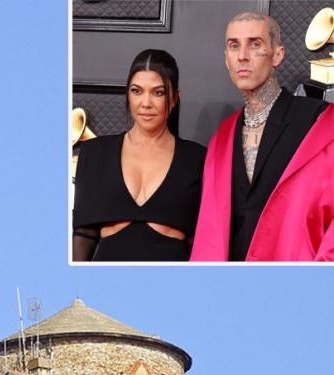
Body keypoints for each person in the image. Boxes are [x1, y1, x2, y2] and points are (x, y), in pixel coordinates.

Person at [191, 11, 333, 261]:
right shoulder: (222, 139)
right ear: (226, 59)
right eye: (234, 46)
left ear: (277, 54)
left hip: (298, 286)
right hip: (232, 288)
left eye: (254, 44)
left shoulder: (318, 123)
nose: (242, 56)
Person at [73, 49, 205, 262]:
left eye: (158, 93)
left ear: (174, 98)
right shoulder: (95, 153)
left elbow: (203, 245)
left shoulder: (198, 159)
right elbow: (83, 235)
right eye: (136, 91)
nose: (145, 103)